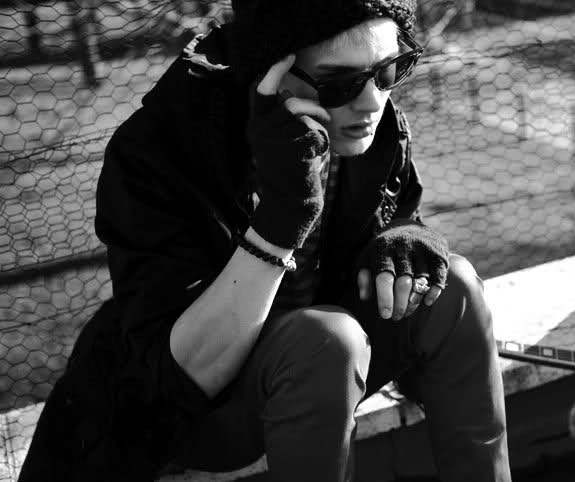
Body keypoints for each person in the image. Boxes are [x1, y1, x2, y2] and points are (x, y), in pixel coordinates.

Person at [19, 0, 511, 480]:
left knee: (456, 284)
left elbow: (397, 212)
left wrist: (404, 239)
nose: (372, 102)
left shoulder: (372, 126)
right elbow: (185, 377)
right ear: (268, 69)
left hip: (331, 372)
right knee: (326, 340)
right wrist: (281, 221)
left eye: (388, 71)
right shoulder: (161, 149)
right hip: (198, 409)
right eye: (339, 82)